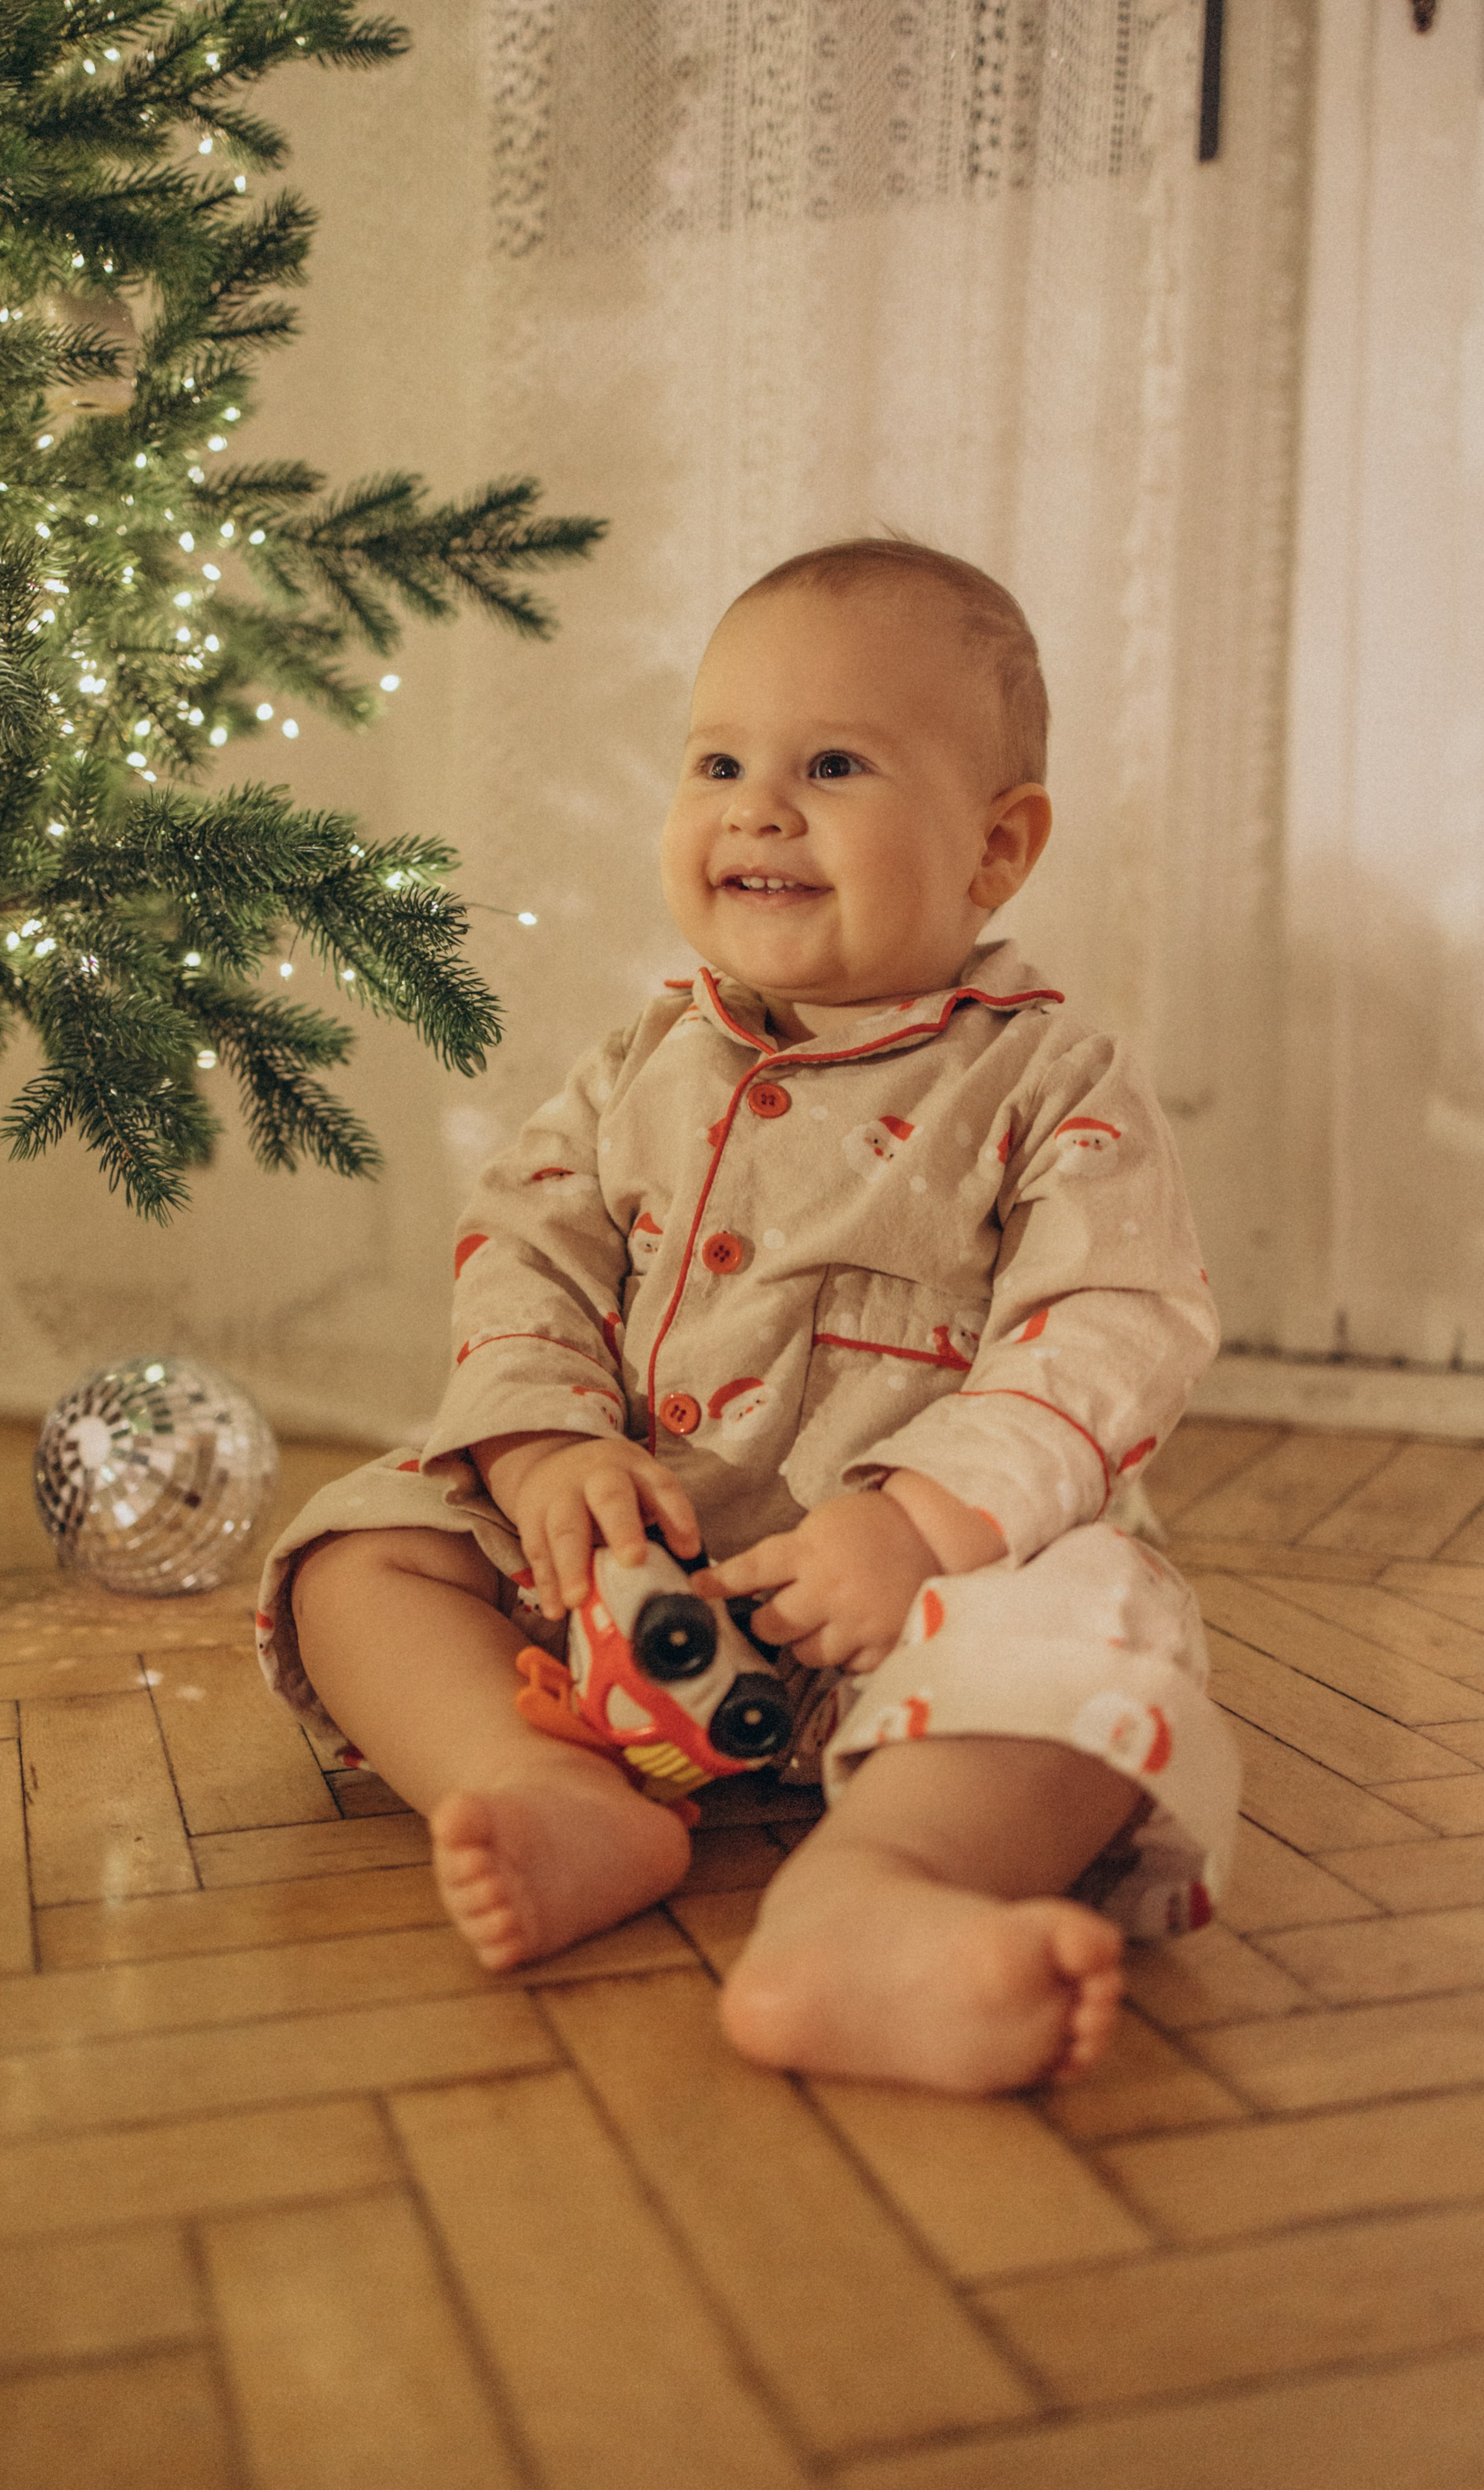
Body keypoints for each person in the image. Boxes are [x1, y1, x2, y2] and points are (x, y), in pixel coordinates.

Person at [255, 539, 1241, 2095]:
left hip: (917, 1608)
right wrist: (539, 1458)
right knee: (356, 1551)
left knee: (1096, 1649)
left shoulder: (1048, 1081)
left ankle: (876, 1896)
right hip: (617, 1596)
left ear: (996, 846)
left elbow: (1114, 1323)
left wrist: (919, 1525)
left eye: (831, 764)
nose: (756, 806)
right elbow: (523, 1250)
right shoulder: (638, 1062)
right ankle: (551, 1787)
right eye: (717, 760)